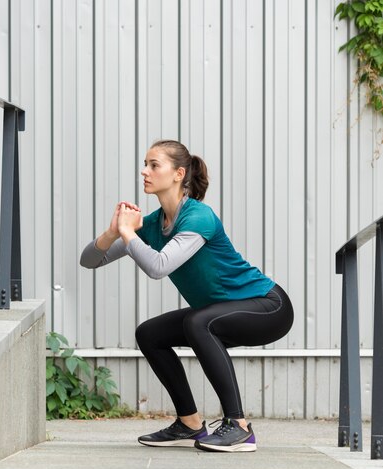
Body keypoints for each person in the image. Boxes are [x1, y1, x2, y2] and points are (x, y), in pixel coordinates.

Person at [80, 140, 294, 452]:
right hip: (220, 311)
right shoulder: (153, 224)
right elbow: (90, 260)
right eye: (145, 164)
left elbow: (158, 266)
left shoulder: (198, 217)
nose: (145, 171)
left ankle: (239, 427)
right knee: (150, 334)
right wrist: (113, 232)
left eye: (154, 165)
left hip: (269, 307)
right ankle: (190, 422)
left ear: (179, 174)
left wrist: (128, 234)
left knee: (198, 322)